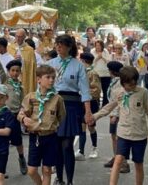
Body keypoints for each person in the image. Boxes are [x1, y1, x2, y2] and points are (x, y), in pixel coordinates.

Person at [91, 67, 148, 185]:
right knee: (118, 160)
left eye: (134, 84)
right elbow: (109, 107)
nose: (132, 86)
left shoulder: (143, 92)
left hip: (139, 135)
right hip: (123, 134)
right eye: (129, 85)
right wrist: (95, 116)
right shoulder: (118, 93)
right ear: (122, 83)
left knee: (138, 164)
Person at [47, 35, 94, 185]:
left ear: (69, 47)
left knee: (67, 145)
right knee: (57, 145)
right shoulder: (50, 64)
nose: (58, 47)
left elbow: (85, 91)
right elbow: (41, 87)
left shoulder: (78, 65)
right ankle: (59, 178)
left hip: (71, 106)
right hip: (53, 105)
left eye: (61, 45)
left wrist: (88, 112)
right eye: (57, 44)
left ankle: (70, 180)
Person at [19, 65, 66, 185]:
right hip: (35, 137)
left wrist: (53, 126)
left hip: (50, 137)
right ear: (39, 79)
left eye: (53, 78)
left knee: (46, 169)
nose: (51, 80)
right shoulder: (31, 97)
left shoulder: (57, 99)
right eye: (48, 77)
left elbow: (62, 116)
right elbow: (21, 113)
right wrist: (24, 118)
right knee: (31, 170)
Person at [101, 61, 130, 173]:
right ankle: (116, 158)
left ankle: (123, 163)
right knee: (114, 137)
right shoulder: (114, 81)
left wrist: (116, 115)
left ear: (112, 71)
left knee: (118, 139)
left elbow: (120, 100)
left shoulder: (119, 83)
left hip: (117, 114)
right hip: (113, 113)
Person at [1, 59, 28, 175]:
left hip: (16, 116)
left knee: (18, 141)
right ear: (8, 71)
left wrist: (23, 112)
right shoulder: (5, 81)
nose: (15, 73)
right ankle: (2, 167)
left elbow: (23, 101)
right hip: (5, 114)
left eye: (17, 71)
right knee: (3, 142)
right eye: (12, 70)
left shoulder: (21, 87)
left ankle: (21, 158)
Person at [77, 53, 102, 160]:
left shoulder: (92, 73)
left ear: (84, 61)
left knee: (90, 126)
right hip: (81, 102)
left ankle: (94, 148)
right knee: (82, 127)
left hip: (91, 102)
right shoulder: (81, 72)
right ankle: (81, 151)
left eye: (80, 60)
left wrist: (84, 93)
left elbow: (96, 90)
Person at [9, 29, 39, 99]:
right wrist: (13, 59)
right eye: (17, 36)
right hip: (12, 77)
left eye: (20, 36)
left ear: (24, 37)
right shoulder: (10, 48)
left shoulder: (30, 50)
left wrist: (22, 61)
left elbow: (32, 66)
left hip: (25, 78)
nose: (18, 38)